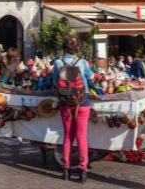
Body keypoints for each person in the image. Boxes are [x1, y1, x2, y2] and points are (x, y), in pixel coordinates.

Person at [53, 33, 94, 183]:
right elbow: (91, 77)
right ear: (76, 48)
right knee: (81, 136)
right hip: (82, 102)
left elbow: (54, 81)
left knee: (67, 137)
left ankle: (65, 169)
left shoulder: (58, 62)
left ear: (63, 48)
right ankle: (83, 171)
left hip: (65, 102)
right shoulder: (82, 62)